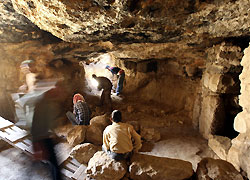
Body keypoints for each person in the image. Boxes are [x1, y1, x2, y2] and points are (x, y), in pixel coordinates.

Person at [31, 82, 65, 180]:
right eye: (58, 92)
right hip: (42, 138)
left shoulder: (48, 101)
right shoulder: (41, 104)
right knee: (53, 163)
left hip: (46, 136)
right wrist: (36, 146)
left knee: (53, 163)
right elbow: (35, 126)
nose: (60, 95)